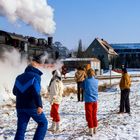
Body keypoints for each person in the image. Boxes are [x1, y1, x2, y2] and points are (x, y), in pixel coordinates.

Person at [13, 55, 48, 140]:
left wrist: (23, 93)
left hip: (20, 106)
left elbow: (14, 92)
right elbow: (36, 92)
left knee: (21, 129)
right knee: (43, 123)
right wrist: (39, 105)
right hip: (32, 106)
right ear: (35, 68)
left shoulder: (19, 77)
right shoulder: (36, 76)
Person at [82, 68, 98, 136]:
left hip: (88, 100)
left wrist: (84, 78)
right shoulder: (96, 81)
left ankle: (90, 130)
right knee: (94, 115)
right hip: (95, 100)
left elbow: (82, 86)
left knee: (89, 115)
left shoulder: (86, 81)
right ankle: (95, 128)